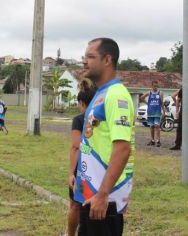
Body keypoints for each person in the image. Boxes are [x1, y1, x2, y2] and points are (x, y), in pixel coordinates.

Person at [73, 38, 135, 236]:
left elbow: (123, 148)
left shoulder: (116, 95)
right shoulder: (101, 93)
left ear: (107, 60)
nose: (84, 61)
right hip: (91, 195)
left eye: (90, 57)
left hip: (103, 201)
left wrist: (103, 194)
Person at [68, 79, 96, 236]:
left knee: (75, 205)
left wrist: (71, 173)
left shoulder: (79, 120)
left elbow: (76, 147)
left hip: (82, 170)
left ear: (82, 103)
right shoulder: (101, 120)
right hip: (99, 169)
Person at [140, 81, 165, 147]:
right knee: (151, 126)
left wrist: (164, 111)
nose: (155, 87)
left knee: (157, 126)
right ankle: (152, 140)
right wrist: (147, 103)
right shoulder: (149, 92)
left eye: (157, 86)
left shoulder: (160, 93)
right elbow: (142, 97)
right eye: (154, 86)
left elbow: (162, 103)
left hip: (157, 111)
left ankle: (158, 141)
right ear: (152, 86)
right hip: (150, 111)